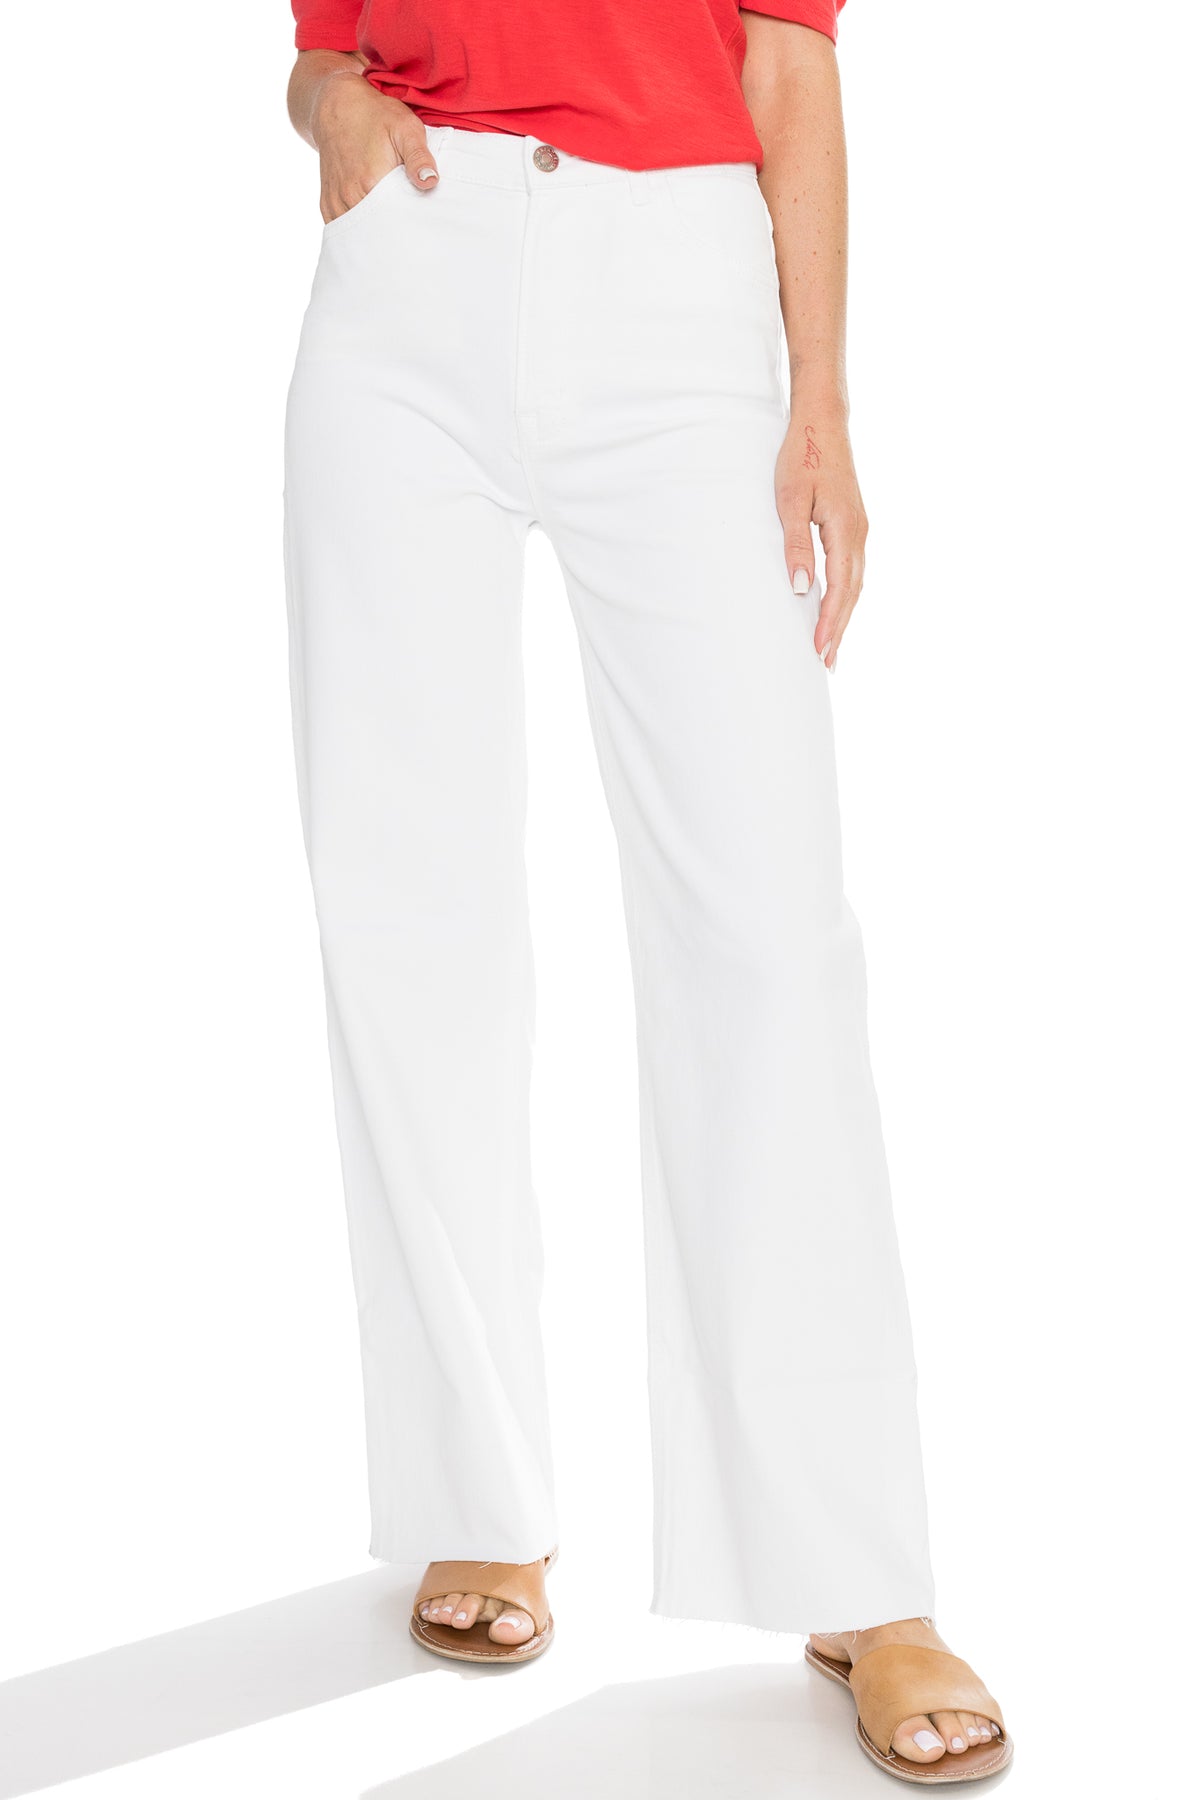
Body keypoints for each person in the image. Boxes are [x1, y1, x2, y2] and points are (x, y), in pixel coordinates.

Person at [281, 1, 1011, 1782]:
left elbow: (788, 61)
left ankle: (855, 1575)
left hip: (679, 281)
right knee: (407, 904)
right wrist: (331, 115)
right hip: (408, 282)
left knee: (763, 938)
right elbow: (320, 45)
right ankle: (475, 1491)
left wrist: (818, 394)